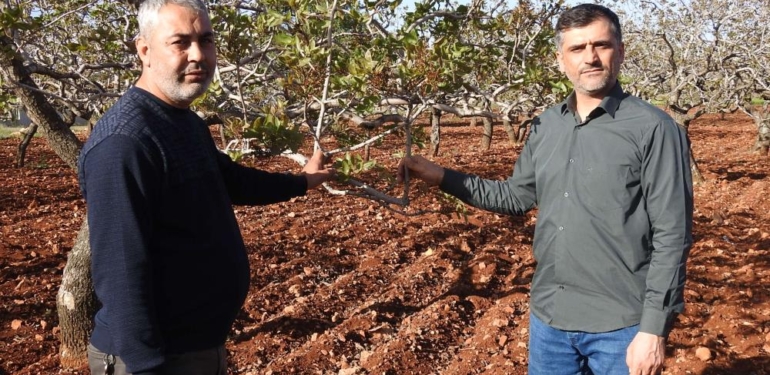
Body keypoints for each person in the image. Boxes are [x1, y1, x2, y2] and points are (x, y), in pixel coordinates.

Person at [398, 4, 693, 375]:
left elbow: (672, 234)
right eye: (577, 48)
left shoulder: (654, 129)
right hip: (550, 319)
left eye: (601, 45)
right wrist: (439, 175)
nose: (590, 57)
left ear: (620, 51)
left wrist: (653, 329)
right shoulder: (546, 126)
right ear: (560, 60)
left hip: (621, 324)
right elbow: (515, 197)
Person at [77, 0, 334, 374]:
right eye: (180, 42)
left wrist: (304, 181)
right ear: (144, 50)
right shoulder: (124, 145)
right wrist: (147, 366)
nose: (198, 55)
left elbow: (233, 181)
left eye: (206, 40)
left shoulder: (183, 121)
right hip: (155, 360)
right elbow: (121, 276)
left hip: (196, 348)